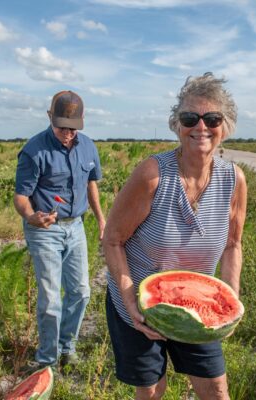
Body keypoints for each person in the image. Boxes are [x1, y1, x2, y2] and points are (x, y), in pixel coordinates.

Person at [103, 73, 247, 400]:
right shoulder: (152, 175)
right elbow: (112, 239)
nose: (201, 127)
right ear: (176, 125)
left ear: (225, 126)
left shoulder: (234, 180)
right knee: (152, 390)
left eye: (212, 118)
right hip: (138, 305)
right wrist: (130, 300)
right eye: (189, 118)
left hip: (200, 308)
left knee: (216, 389)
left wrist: (230, 302)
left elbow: (232, 245)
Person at [14, 90, 106, 369]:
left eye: (73, 128)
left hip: (76, 227)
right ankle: (47, 358)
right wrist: (31, 217)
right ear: (49, 118)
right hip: (45, 230)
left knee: (81, 291)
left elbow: (92, 184)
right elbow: (20, 197)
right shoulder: (34, 151)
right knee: (51, 298)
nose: (67, 133)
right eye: (61, 127)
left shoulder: (88, 146)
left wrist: (101, 219)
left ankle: (68, 345)